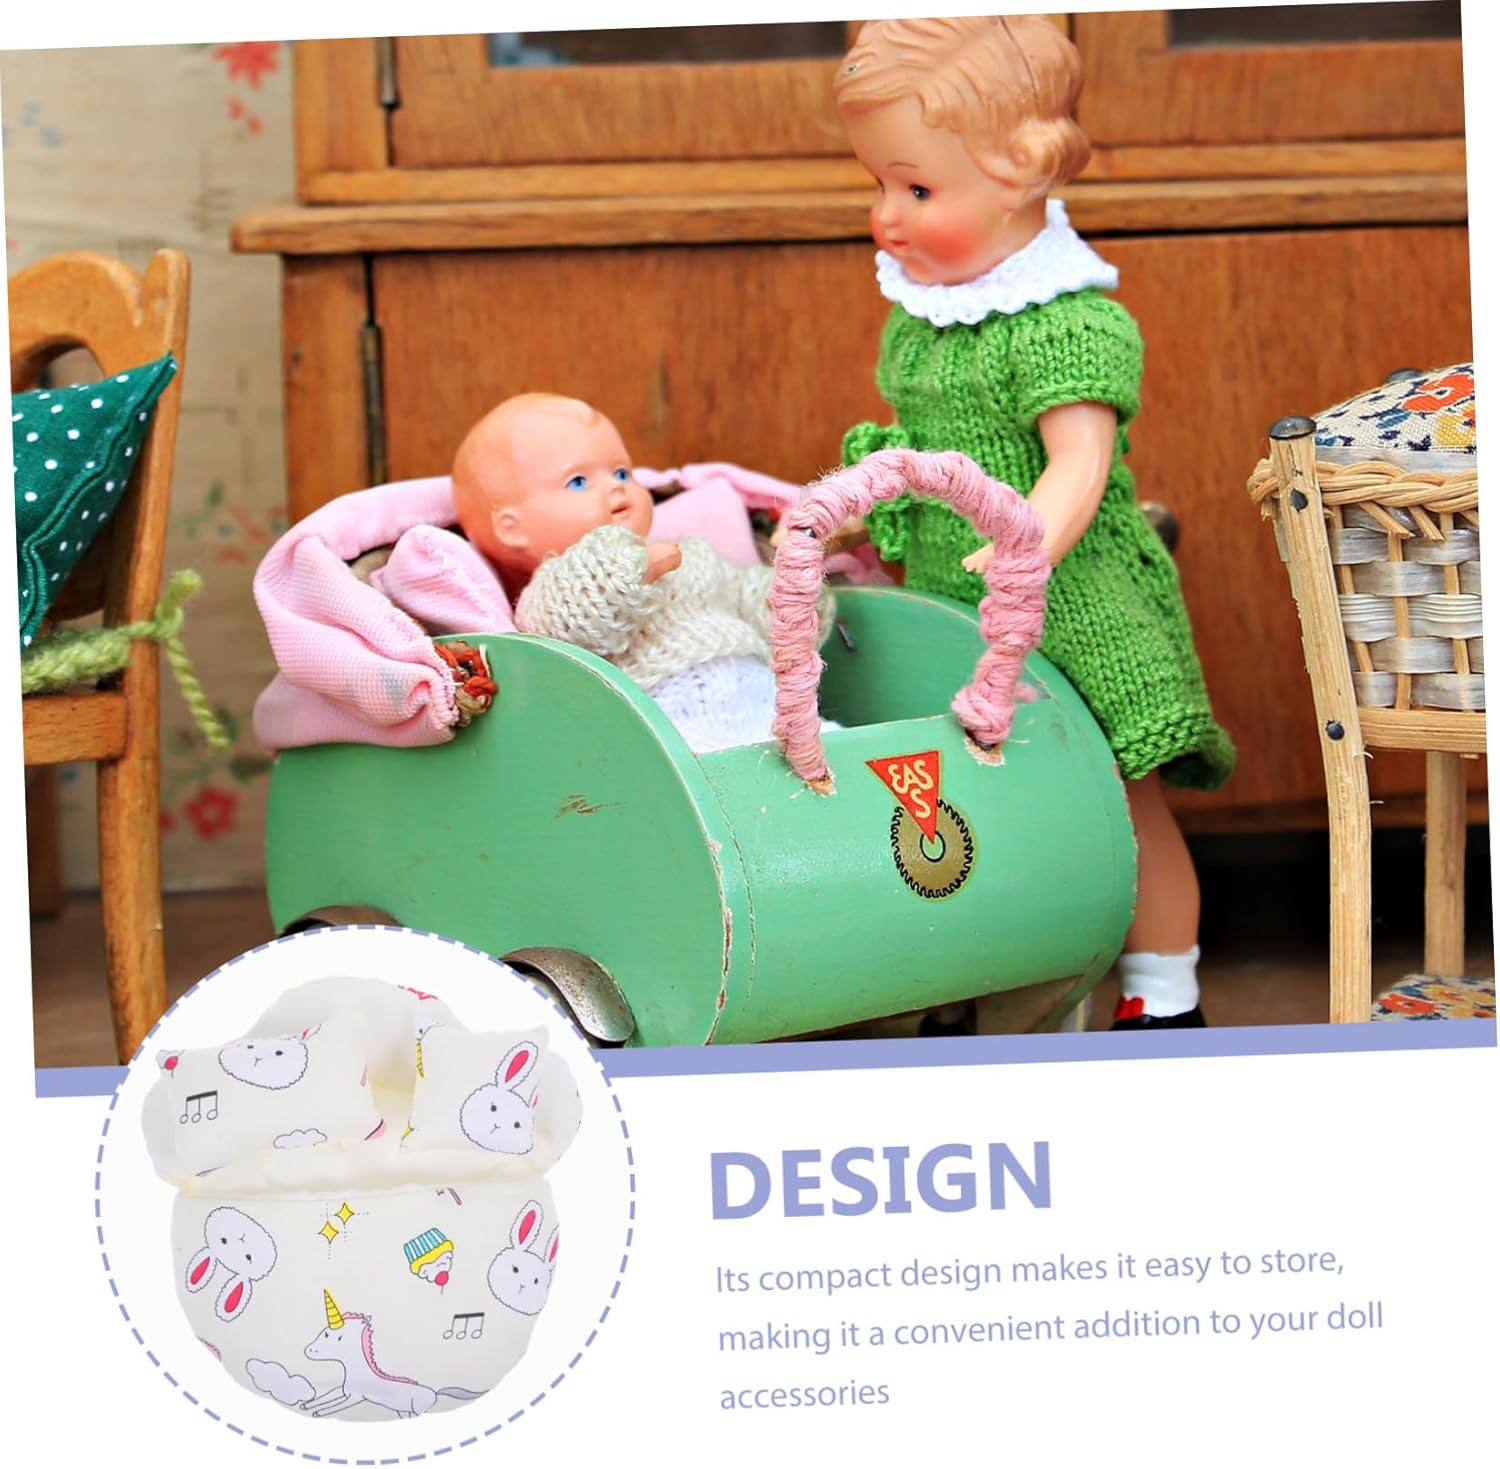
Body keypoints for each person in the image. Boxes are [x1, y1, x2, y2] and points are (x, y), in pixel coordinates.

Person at [834, 16, 1234, 1029]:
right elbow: (924, 442)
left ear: (1018, 173)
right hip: (955, 608)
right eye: (879, 184)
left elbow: (1078, 463)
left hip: (1071, 611)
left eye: (917, 190)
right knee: (973, 801)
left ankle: (1162, 991)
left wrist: (1026, 543)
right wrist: (866, 501)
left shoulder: (1067, 320)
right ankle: (977, 979)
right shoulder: (922, 318)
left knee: (1120, 798)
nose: (886, 215)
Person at [451, 392, 833, 753]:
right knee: (721, 770)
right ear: (512, 529)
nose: (617, 490)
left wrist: (793, 596)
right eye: (579, 482)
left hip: (763, 695)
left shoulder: (694, 553)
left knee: (835, 751)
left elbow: (743, 595)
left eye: (621, 473)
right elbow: (573, 615)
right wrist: (626, 569)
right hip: (668, 718)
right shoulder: (549, 588)